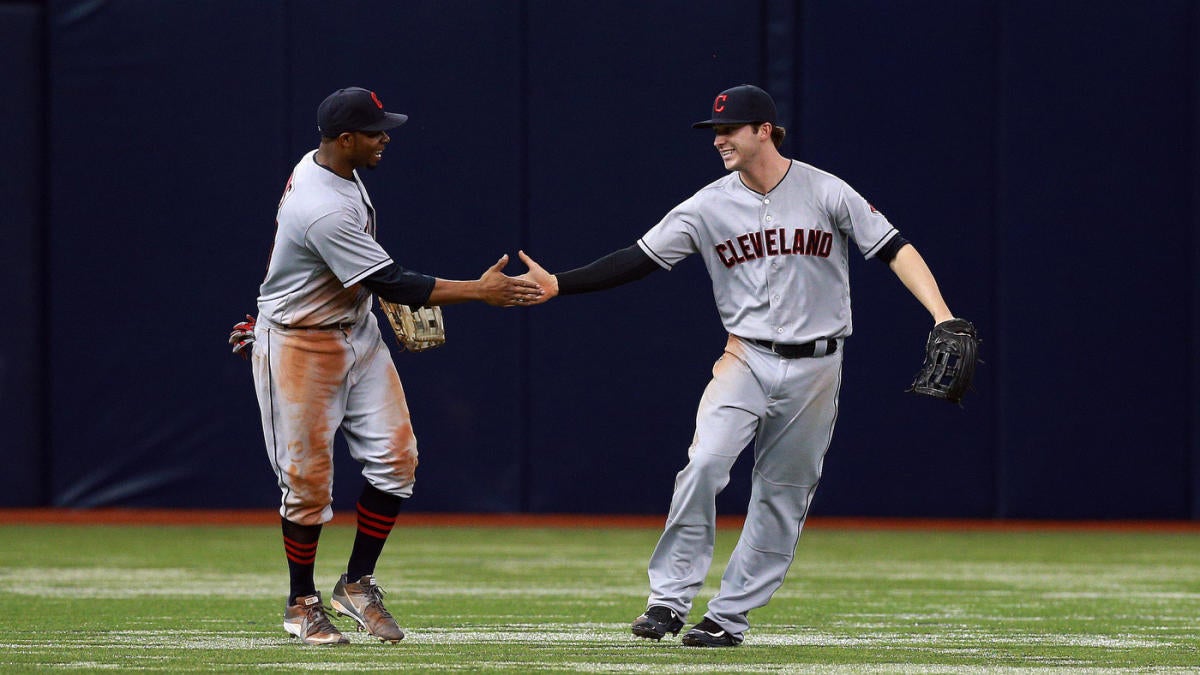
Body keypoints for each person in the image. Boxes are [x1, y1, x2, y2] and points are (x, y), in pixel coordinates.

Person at [517, 84, 959, 647]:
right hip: (745, 355)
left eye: (729, 129)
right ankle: (668, 601)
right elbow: (639, 259)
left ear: (765, 131)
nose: (719, 139)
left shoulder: (826, 191)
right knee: (703, 463)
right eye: (715, 131)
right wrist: (561, 283)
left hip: (818, 367)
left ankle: (728, 617)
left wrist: (942, 315)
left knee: (783, 493)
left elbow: (895, 246)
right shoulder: (707, 205)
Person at [230, 86, 543, 646]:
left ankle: (356, 584)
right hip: (302, 344)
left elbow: (341, 271)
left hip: (358, 332)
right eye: (375, 131)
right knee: (307, 485)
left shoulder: (331, 167)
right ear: (344, 138)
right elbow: (388, 279)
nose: (385, 138)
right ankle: (302, 602)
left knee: (397, 462)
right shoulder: (319, 203)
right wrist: (480, 290)